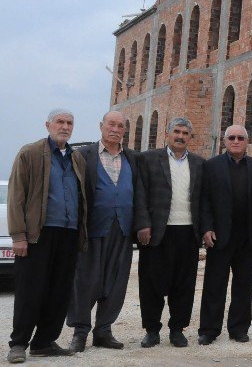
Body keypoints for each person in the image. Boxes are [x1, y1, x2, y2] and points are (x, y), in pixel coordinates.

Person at [7, 109, 87, 363]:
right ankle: (18, 343)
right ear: (48, 125)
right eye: (60, 122)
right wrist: (19, 236)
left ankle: (44, 342)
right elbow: (16, 196)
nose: (65, 126)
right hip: (37, 235)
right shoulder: (30, 153)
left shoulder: (76, 158)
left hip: (69, 233)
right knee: (31, 290)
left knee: (59, 291)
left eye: (69, 123)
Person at [67, 111, 140, 352]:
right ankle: (80, 331)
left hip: (122, 230)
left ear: (124, 130)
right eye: (111, 124)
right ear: (101, 126)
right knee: (86, 281)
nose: (115, 129)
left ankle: (103, 330)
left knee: (116, 282)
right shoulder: (83, 155)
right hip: (92, 230)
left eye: (120, 126)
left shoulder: (132, 158)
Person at [134, 116, 205, 348]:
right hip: (156, 233)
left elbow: (203, 200)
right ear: (167, 134)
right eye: (176, 131)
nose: (180, 136)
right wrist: (143, 224)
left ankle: (177, 329)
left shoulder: (198, 163)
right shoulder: (148, 159)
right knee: (151, 284)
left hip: (187, 233)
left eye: (185, 133)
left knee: (183, 285)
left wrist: (204, 229)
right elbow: (140, 194)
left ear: (190, 137)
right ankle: (152, 330)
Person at [197, 125, 252, 345]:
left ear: (247, 141)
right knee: (214, 285)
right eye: (231, 137)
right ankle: (209, 329)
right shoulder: (211, 166)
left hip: (248, 237)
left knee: (244, 286)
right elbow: (204, 199)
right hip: (219, 237)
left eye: (240, 137)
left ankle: (239, 328)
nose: (236, 141)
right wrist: (206, 228)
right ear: (225, 141)